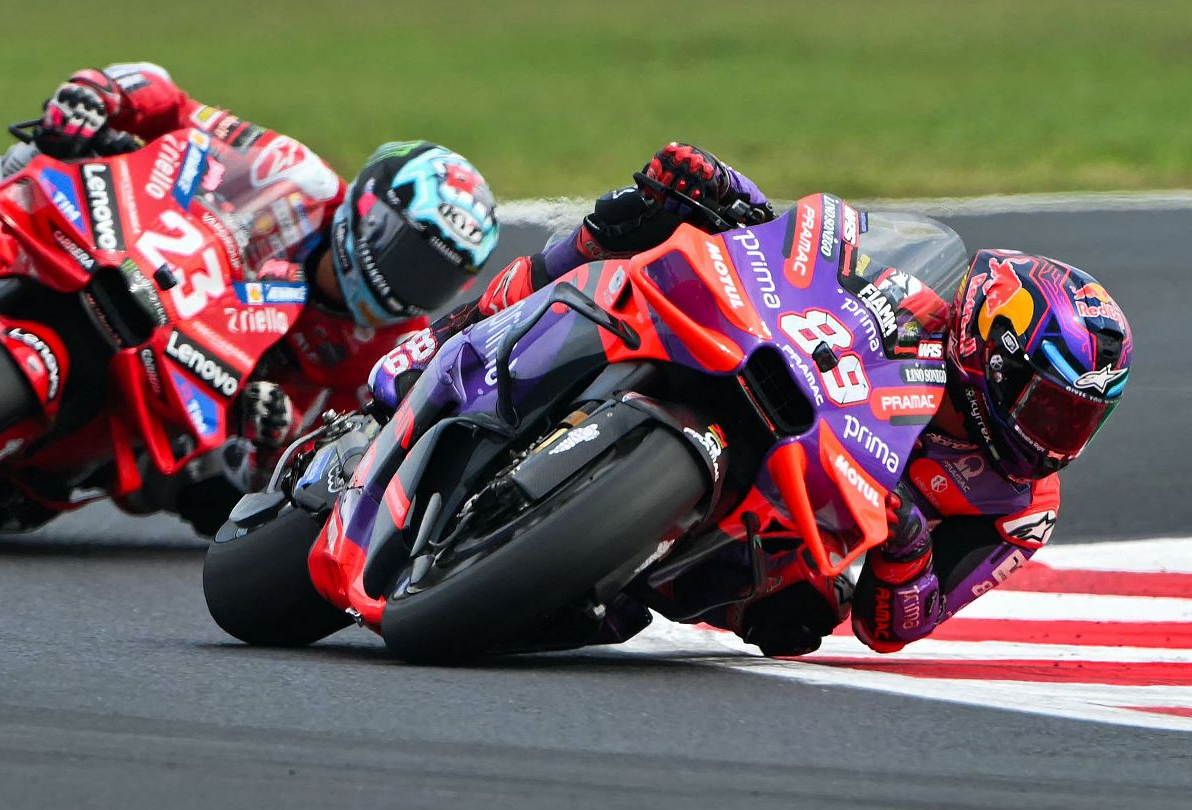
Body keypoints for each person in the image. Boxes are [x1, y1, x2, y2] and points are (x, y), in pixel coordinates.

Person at [368, 143, 1133, 656]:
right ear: (986, 347)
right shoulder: (925, 306)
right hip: (775, 372)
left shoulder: (1019, 503)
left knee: (799, 619)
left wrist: (902, 550)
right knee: (640, 221)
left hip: (805, 518)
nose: (1054, 435)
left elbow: (895, 628)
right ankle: (452, 338)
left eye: (1077, 418)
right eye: (1046, 404)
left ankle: (606, 556)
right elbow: (814, 257)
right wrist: (732, 199)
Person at [0, 63, 500, 530]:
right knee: (16, 173)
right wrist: (100, 96)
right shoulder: (291, 173)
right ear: (369, 207)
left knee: (144, 491)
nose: (410, 285)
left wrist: (271, 432)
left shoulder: (377, 352)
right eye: (409, 253)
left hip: (176, 392)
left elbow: (319, 452)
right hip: (128, 257)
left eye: (434, 277)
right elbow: (175, 108)